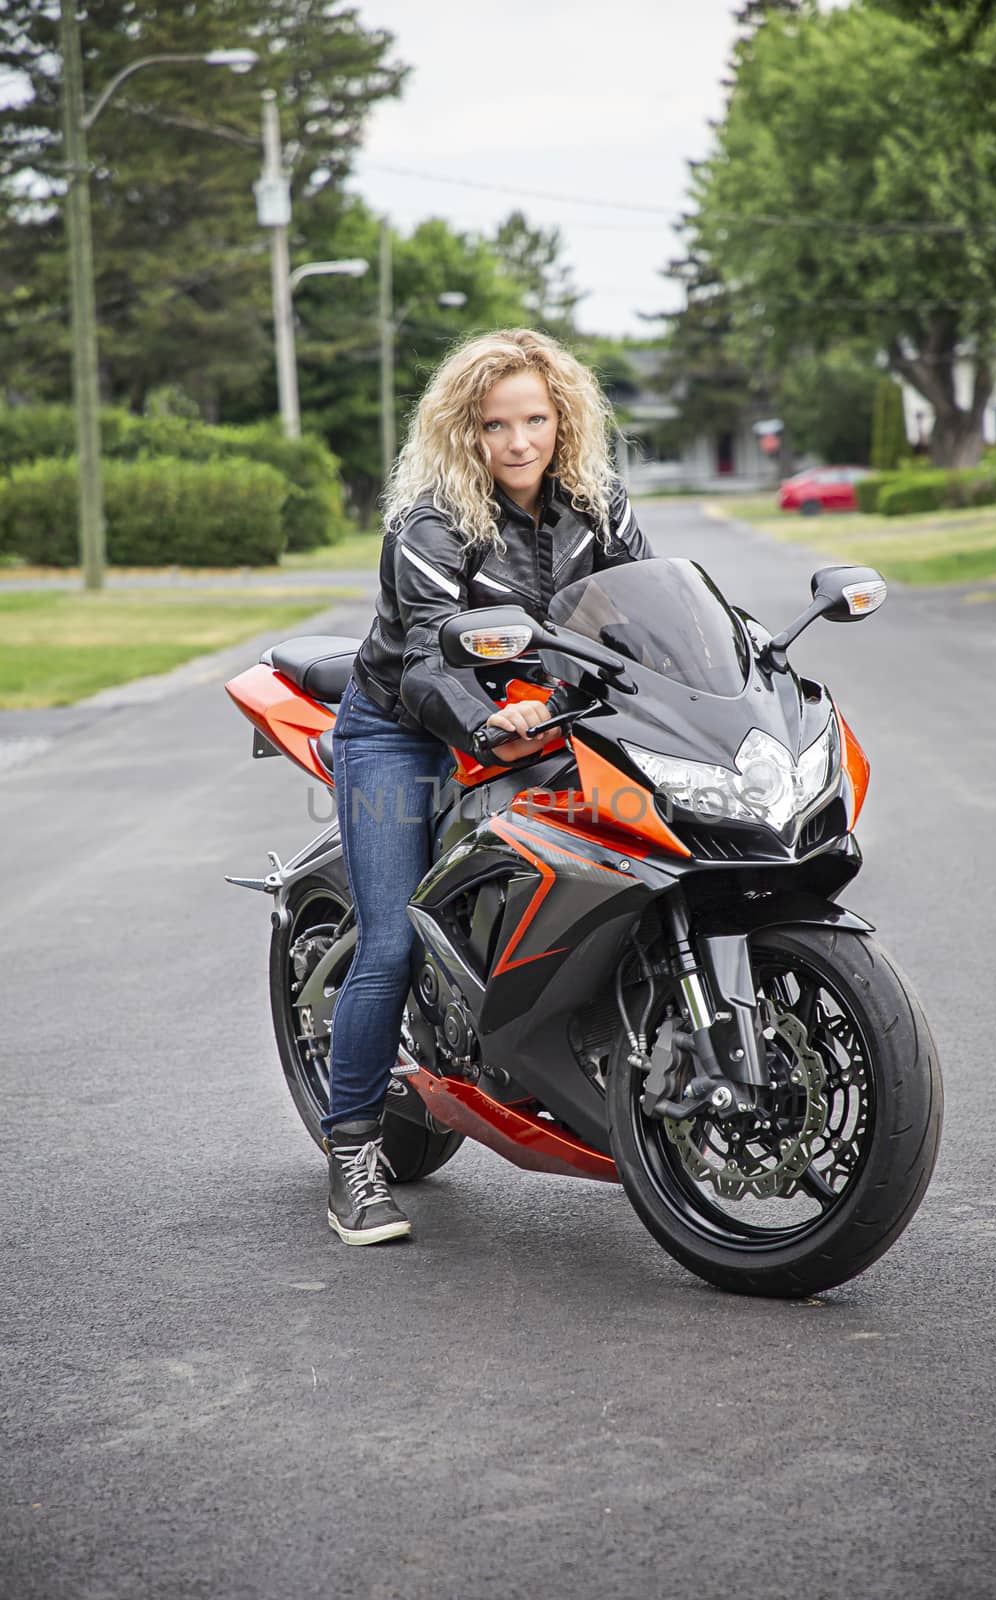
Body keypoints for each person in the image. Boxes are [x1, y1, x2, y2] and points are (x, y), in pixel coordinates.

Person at [325, 328, 653, 1246]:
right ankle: (352, 1154)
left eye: (535, 420)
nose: (517, 443)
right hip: (405, 729)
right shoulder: (429, 523)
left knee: (621, 865)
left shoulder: (599, 505)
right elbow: (431, 651)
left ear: (564, 419)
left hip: (538, 719)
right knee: (393, 941)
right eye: (494, 424)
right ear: (462, 430)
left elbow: (644, 611)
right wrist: (483, 719)